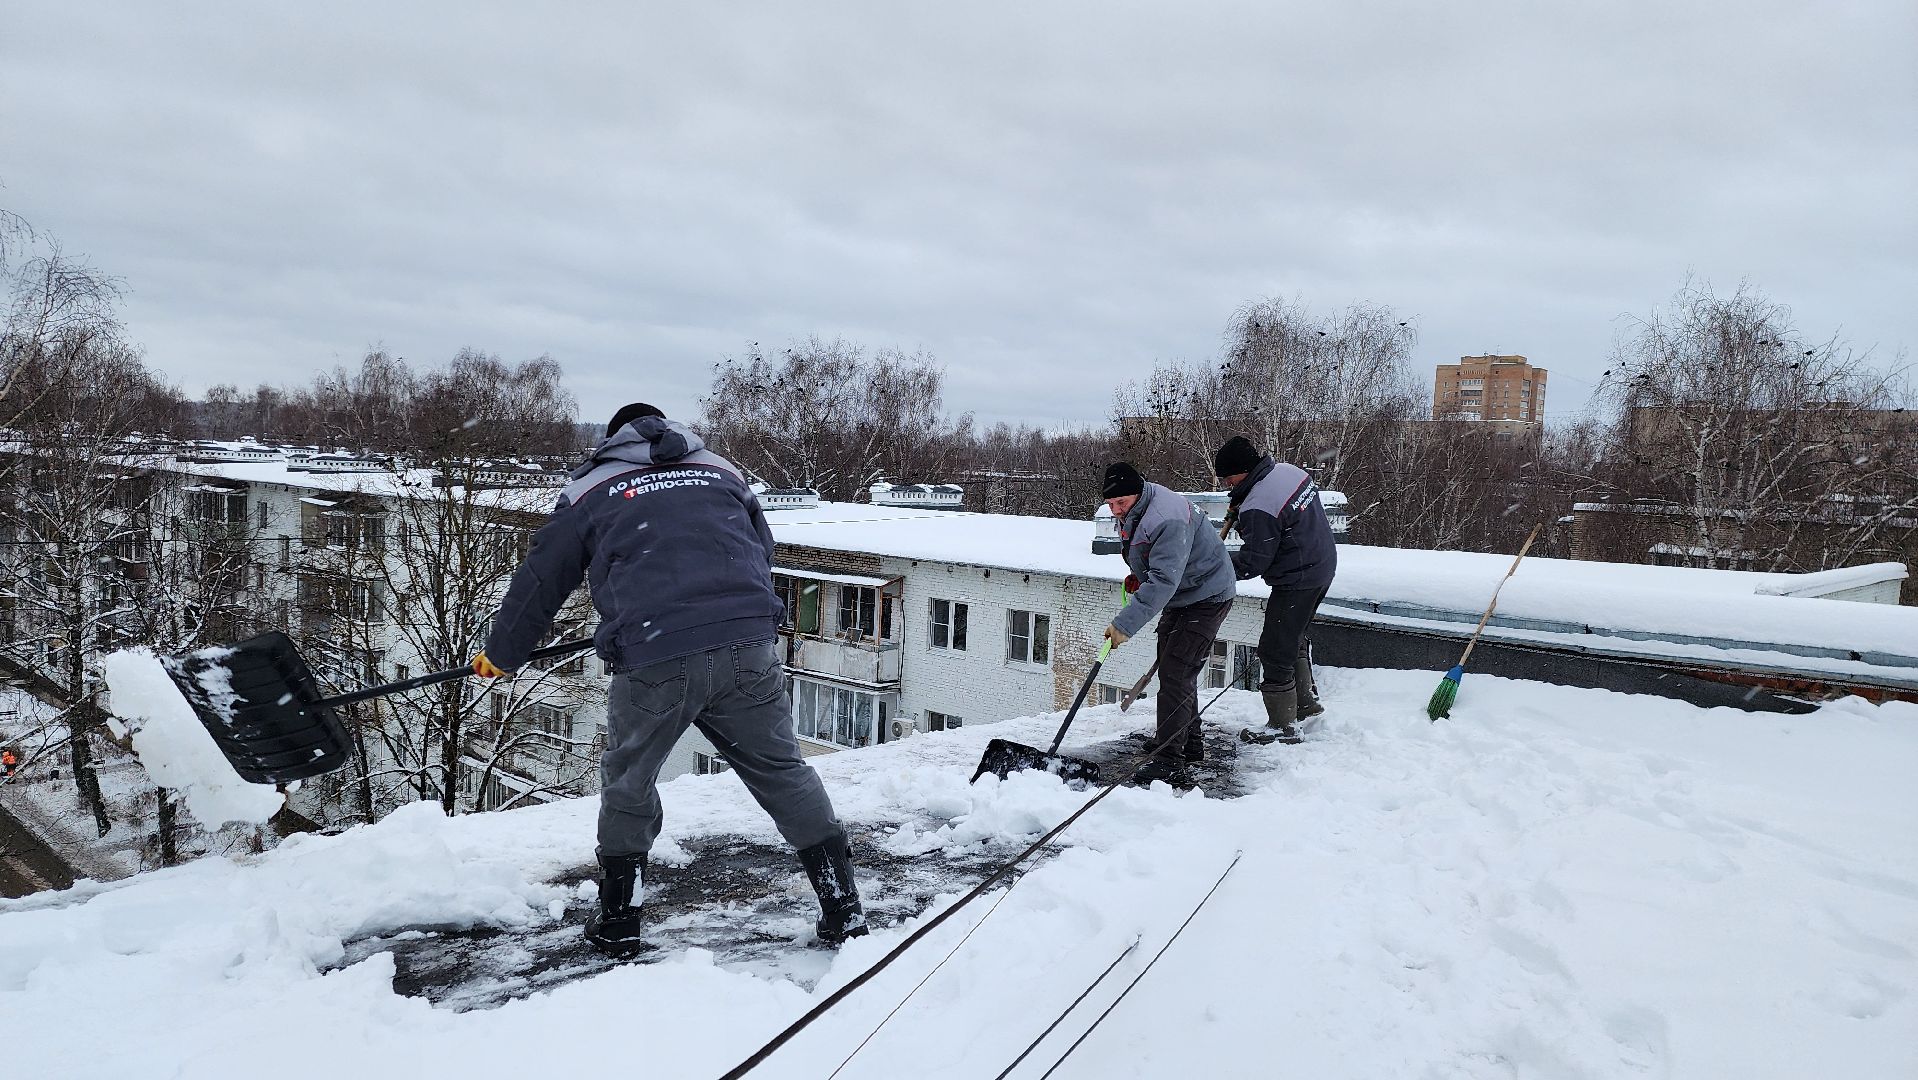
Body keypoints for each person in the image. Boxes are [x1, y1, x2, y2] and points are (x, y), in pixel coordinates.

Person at [474, 402, 867, 956]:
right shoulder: (722, 470)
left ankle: (618, 924)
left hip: (657, 654)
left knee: (630, 780)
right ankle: (844, 910)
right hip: (747, 644)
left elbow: (542, 580)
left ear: (613, 440)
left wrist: (503, 653)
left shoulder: (591, 486)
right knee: (783, 771)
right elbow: (761, 549)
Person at [1101, 462, 1237, 782]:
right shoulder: (1138, 507)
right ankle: (1188, 743)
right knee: (1173, 667)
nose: (1116, 510)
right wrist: (1139, 576)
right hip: (1183, 591)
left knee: (1177, 671)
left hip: (1207, 595)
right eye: (1110, 505)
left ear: (1138, 491)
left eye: (1121, 503)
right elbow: (1156, 562)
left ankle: (1169, 760)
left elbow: (1163, 579)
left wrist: (1124, 625)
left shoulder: (1167, 517)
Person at [1212, 436, 1338, 743]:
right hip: (1322, 565)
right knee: (1291, 637)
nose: (1228, 485)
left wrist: (1212, 567)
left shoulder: (1258, 506)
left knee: (1274, 649)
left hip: (1299, 578)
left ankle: (1282, 727)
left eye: (1229, 479)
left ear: (1243, 470)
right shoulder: (1288, 471)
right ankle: (1305, 704)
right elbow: (1286, 521)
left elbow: (1254, 561)